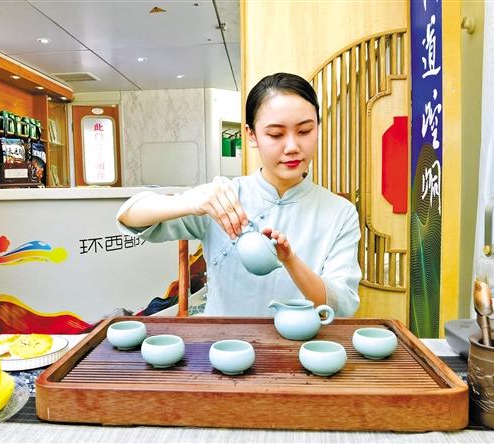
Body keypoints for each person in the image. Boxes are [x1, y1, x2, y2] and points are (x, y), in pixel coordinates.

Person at [117, 72, 360, 317]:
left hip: (300, 341)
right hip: (224, 339)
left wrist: (290, 260)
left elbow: (341, 305)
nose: (292, 147)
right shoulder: (223, 196)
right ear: (251, 135)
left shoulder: (340, 212)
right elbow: (129, 215)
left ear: (318, 127)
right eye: (276, 134)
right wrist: (192, 202)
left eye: (305, 131)